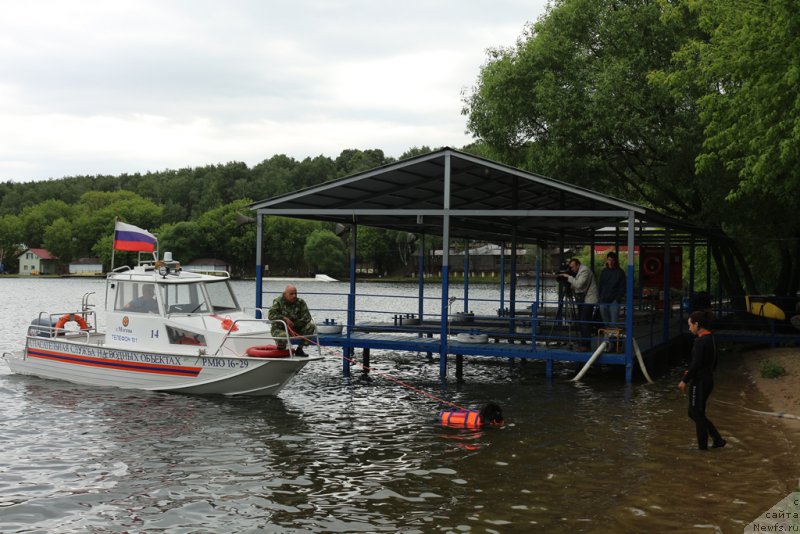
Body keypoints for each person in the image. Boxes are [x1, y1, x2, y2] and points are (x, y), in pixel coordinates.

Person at [678, 310, 726, 451]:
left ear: (697, 324)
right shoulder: (711, 338)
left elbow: (696, 363)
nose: (689, 328)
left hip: (699, 382)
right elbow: (714, 360)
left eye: (690, 325)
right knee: (694, 412)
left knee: (696, 413)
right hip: (708, 379)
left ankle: (703, 448)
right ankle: (717, 439)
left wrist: (684, 380)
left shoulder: (700, 341)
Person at [558, 258, 598, 351]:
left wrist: (568, 277)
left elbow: (579, 284)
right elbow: (575, 286)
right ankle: (583, 342)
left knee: (584, 321)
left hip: (589, 299)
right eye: (570, 267)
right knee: (581, 321)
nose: (571, 269)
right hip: (582, 300)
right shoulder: (576, 272)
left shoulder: (585, 270)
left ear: (578, 265)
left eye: (572, 267)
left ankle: (586, 345)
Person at [267, 284, 316, 355]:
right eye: (291, 294)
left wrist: (294, 324)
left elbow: (307, 318)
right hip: (280, 329)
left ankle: (300, 349)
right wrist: (284, 319)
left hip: (295, 328)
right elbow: (270, 315)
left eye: (295, 293)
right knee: (283, 336)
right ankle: (281, 349)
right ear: (285, 294)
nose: (294, 296)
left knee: (311, 326)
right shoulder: (278, 302)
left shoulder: (300, 302)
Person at [598, 251, 626, 327]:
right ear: (607, 260)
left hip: (614, 301)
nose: (610, 262)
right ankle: (608, 336)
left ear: (615, 261)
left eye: (612, 260)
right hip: (603, 300)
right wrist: (600, 297)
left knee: (613, 323)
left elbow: (623, 287)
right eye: (609, 260)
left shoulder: (620, 272)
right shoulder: (604, 271)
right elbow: (600, 285)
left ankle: (612, 337)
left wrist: (617, 299)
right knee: (605, 322)